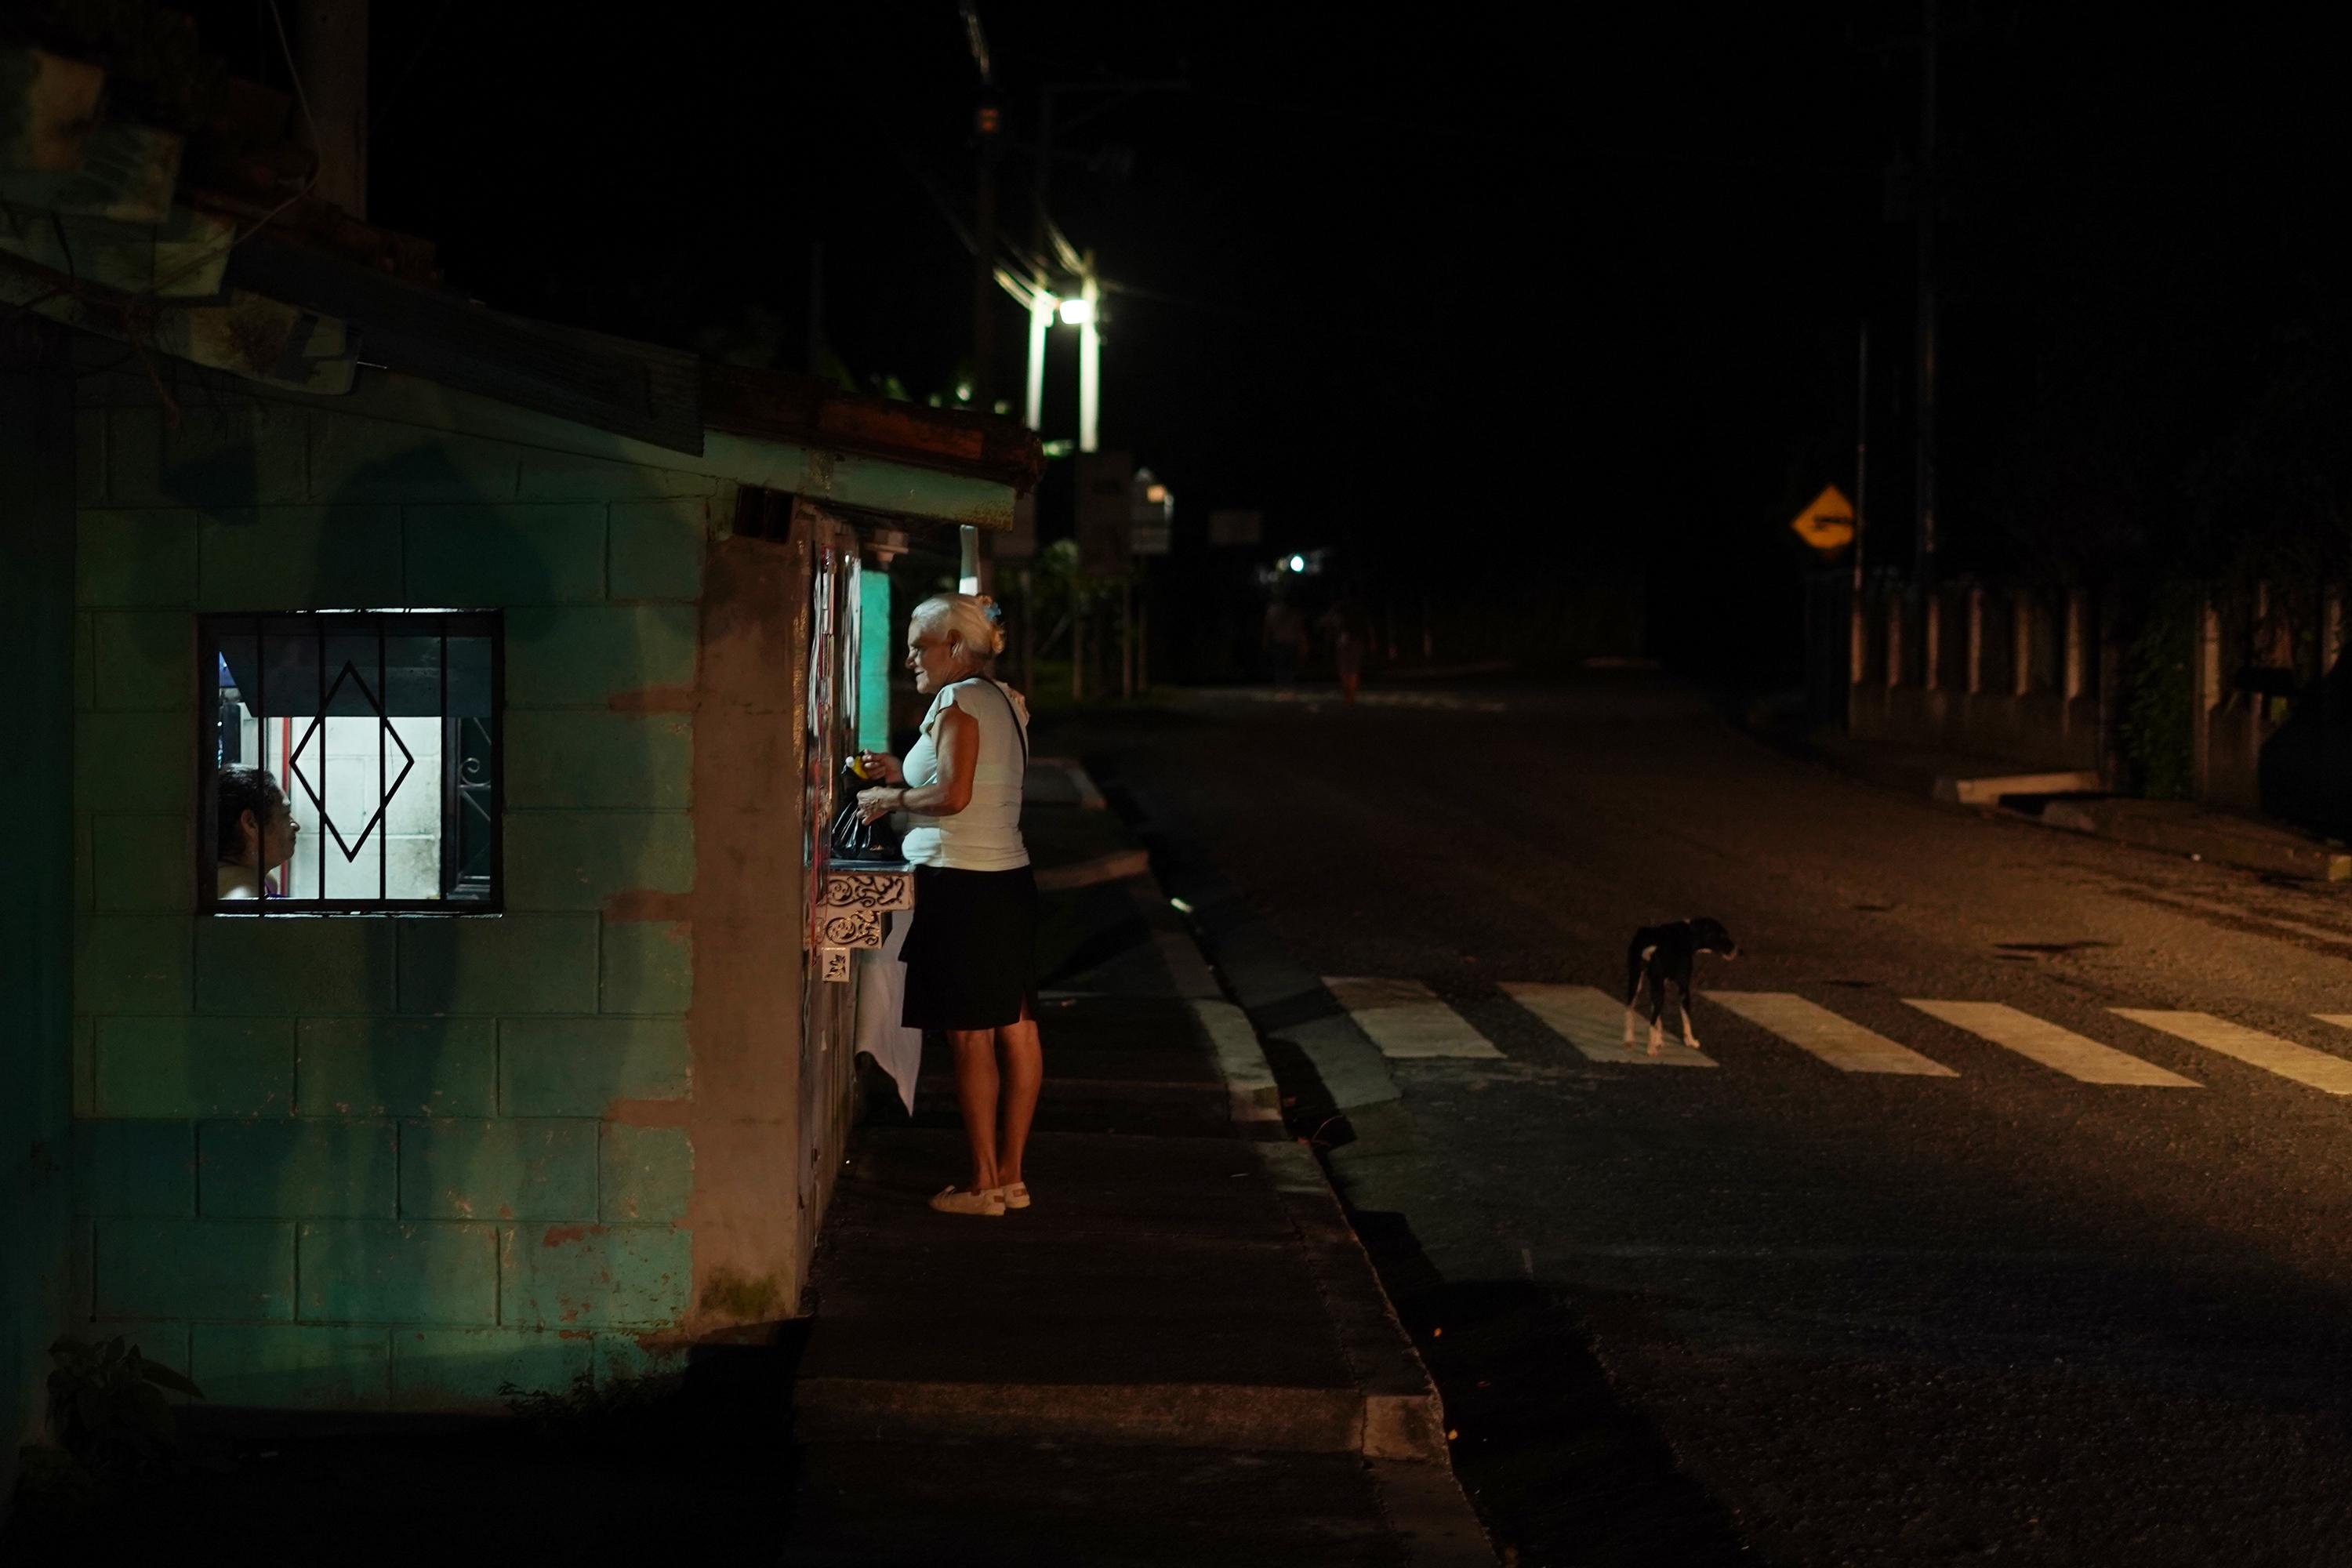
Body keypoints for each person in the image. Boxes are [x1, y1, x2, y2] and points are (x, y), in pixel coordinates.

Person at [855, 592, 1043, 1218]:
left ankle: (983, 1183)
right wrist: (899, 777)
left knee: (970, 1038)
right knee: (1016, 1027)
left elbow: (955, 795)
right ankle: (1010, 1177)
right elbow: (972, 782)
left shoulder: (957, 700)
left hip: (961, 883)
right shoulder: (1006, 702)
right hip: (1009, 879)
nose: (911, 658)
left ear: (957, 648)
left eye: (920, 646)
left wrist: (891, 800)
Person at [215, 766, 298, 899]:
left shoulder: (265, 880)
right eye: (285, 814)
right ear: (251, 823)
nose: (296, 825)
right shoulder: (241, 890)